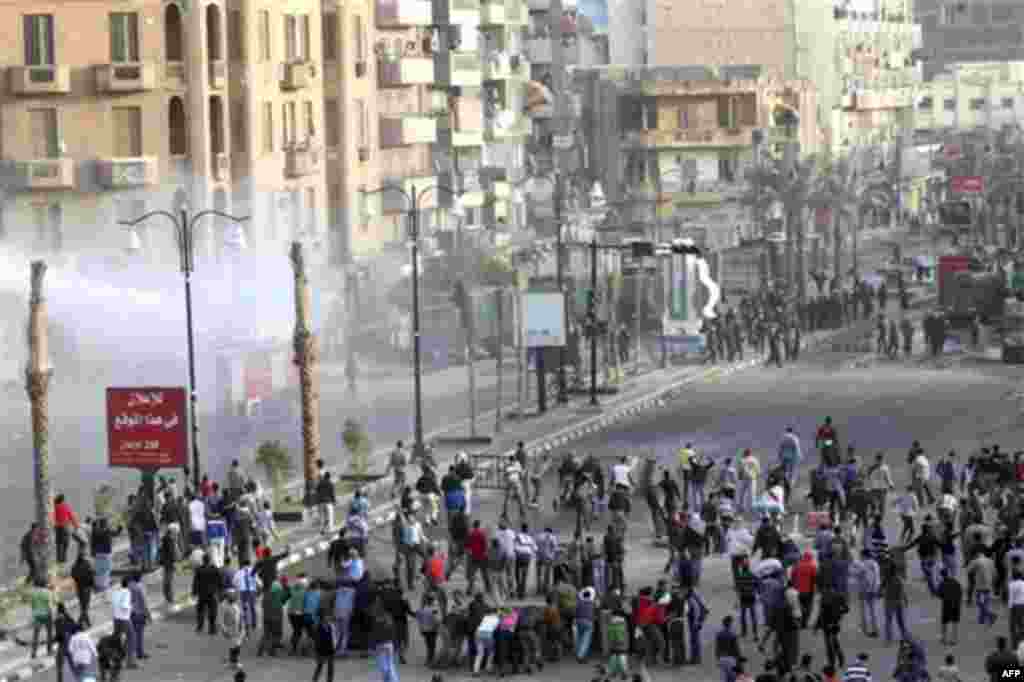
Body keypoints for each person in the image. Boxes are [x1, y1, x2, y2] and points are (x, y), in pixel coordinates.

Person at [110, 577, 137, 670]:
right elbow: (124, 606)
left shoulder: (115, 592)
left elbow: (112, 604)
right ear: (128, 584)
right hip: (124, 619)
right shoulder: (127, 592)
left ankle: (115, 660)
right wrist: (131, 607)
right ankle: (130, 662)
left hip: (116, 618)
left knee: (116, 639)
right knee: (131, 638)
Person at [128, 573, 151, 661]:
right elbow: (144, 603)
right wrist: (148, 615)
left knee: (131, 635)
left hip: (130, 613)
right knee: (139, 635)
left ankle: (130, 653)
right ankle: (139, 652)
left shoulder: (128, 587)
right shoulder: (139, 588)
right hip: (139, 614)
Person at [221, 589, 245, 668]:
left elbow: (241, 614)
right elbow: (221, 619)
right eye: (230, 595)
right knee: (234, 646)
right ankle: (233, 662)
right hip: (230, 629)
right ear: (227, 596)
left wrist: (244, 626)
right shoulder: (223, 605)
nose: (232, 597)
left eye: (233, 595)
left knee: (238, 645)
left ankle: (233, 661)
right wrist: (224, 629)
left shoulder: (237, 603)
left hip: (238, 627)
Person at [71, 553, 96, 628]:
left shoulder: (74, 566)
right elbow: (91, 575)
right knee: (85, 607)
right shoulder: (87, 564)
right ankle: (81, 622)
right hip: (87, 588)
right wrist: (93, 585)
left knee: (83, 606)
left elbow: (73, 576)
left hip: (79, 588)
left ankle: (86, 623)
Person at [938, 569, 962, 645]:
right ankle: (954, 640)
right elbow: (960, 592)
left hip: (947, 605)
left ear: (942, 576)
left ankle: (944, 639)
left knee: (944, 622)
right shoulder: (956, 582)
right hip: (956, 604)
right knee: (955, 622)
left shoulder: (942, 584)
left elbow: (939, 594)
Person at [312, 617, 337, 682]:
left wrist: (334, 646)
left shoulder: (331, 627)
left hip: (330, 649)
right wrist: (316, 651)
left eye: (329, 618)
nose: (327, 620)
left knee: (330, 666)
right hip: (321, 650)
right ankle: (315, 679)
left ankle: (329, 680)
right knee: (320, 666)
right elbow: (316, 640)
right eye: (326, 618)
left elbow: (334, 637)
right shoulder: (318, 627)